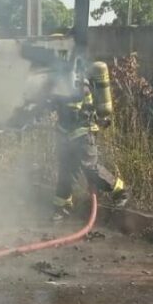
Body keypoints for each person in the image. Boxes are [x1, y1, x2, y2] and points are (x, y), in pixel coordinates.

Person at [51, 62, 128, 220]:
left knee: (89, 167)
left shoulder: (77, 85)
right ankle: (62, 206)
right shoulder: (62, 83)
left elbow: (71, 110)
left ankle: (120, 191)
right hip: (68, 137)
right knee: (66, 171)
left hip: (83, 134)